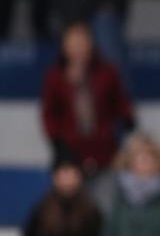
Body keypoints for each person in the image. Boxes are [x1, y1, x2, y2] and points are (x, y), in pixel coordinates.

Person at [41, 22, 135, 176]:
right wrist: (58, 143)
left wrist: (125, 125)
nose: (78, 49)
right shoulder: (55, 77)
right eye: (73, 44)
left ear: (91, 45)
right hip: (69, 154)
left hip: (105, 151)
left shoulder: (108, 72)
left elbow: (121, 104)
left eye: (82, 43)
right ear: (65, 48)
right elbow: (49, 114)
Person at [19, 158, 103, 236]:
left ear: (79, 178)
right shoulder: (41, 212)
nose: (68, 180)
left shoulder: (91, 213)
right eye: (63, 174)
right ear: (55, 178)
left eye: (72, 174)